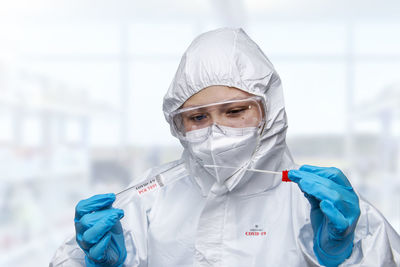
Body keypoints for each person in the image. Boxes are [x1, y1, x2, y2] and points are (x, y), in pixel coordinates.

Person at [50, 28, 400, 267]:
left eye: (235, 111)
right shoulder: (149, 200)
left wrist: (345, 254)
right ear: (177, 124)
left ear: (269, 111)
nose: (216, 132)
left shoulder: (321, 205)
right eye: (198, 118)